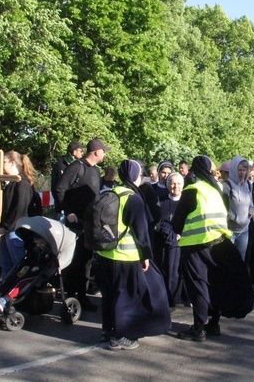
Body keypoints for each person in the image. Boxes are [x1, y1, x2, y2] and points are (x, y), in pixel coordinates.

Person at [173, 155, 254, 342]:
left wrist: (180, 229)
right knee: (216, 284)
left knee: (198, 287)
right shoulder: (216, 189)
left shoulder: (192, 190)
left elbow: (177, 223)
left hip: (196, 247)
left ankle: (198, 329)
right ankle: (214, 324)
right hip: (220, 244)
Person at [96, 160, 171, 350]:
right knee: (126, 297)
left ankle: (108, 330)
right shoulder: (133, 198)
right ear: (135, 176)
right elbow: (141, 231)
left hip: (105, 253)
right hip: (126, 256)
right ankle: (121, 336)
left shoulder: (112, 193)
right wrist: (146, 255)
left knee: (110, 294)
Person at [55, 138, 110, 312]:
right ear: (96, 152)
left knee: (86, 261)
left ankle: (82, 295)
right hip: (75, 223)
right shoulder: (76, 167)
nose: (105, 154)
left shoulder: (95, 171)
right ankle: (70, 296)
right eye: (103, 151)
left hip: (89, 223)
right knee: (75, 260)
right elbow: (60, 189)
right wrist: (68, 211)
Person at [0, 151, 36, 280]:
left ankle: (18, 293)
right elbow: (9, 205)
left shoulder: (22, 183)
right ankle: (4, 293)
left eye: (3, 162)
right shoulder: (9, 183)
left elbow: (19, 208)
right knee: (6, 265)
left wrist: (4, 228)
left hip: (15, 229)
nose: (0, 166)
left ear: (12, 163)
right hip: (7, 229)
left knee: (17, 265)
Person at [153, 172, 185, 308]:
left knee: (174, 269)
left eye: (178, 184)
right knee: (161, 267)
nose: (175, 186)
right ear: (168, 185)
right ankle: (161, 296)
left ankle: (173, 299)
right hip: (162, 238)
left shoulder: (186, 201)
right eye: (172, 183)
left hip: (178, 240)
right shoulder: (161, 200)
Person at [223, 156, 254, 261]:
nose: (242, 173)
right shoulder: (227, 185)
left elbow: (251, 201)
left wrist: (252, 209)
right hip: (229, 229)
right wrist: (231, 216)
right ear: (234, 170)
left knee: (241, 259)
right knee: (228, 259)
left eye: (244, 170)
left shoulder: (248, 185)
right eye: (239, 170)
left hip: (244, 229)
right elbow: (222, 205)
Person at [50, 141, 83, 213]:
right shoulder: (60, 165)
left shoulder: (80, 165)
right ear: (74, 152)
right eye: (81, 151)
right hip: (63, 207)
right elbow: (57, 187)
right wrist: (62, 205)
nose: (82, 153)